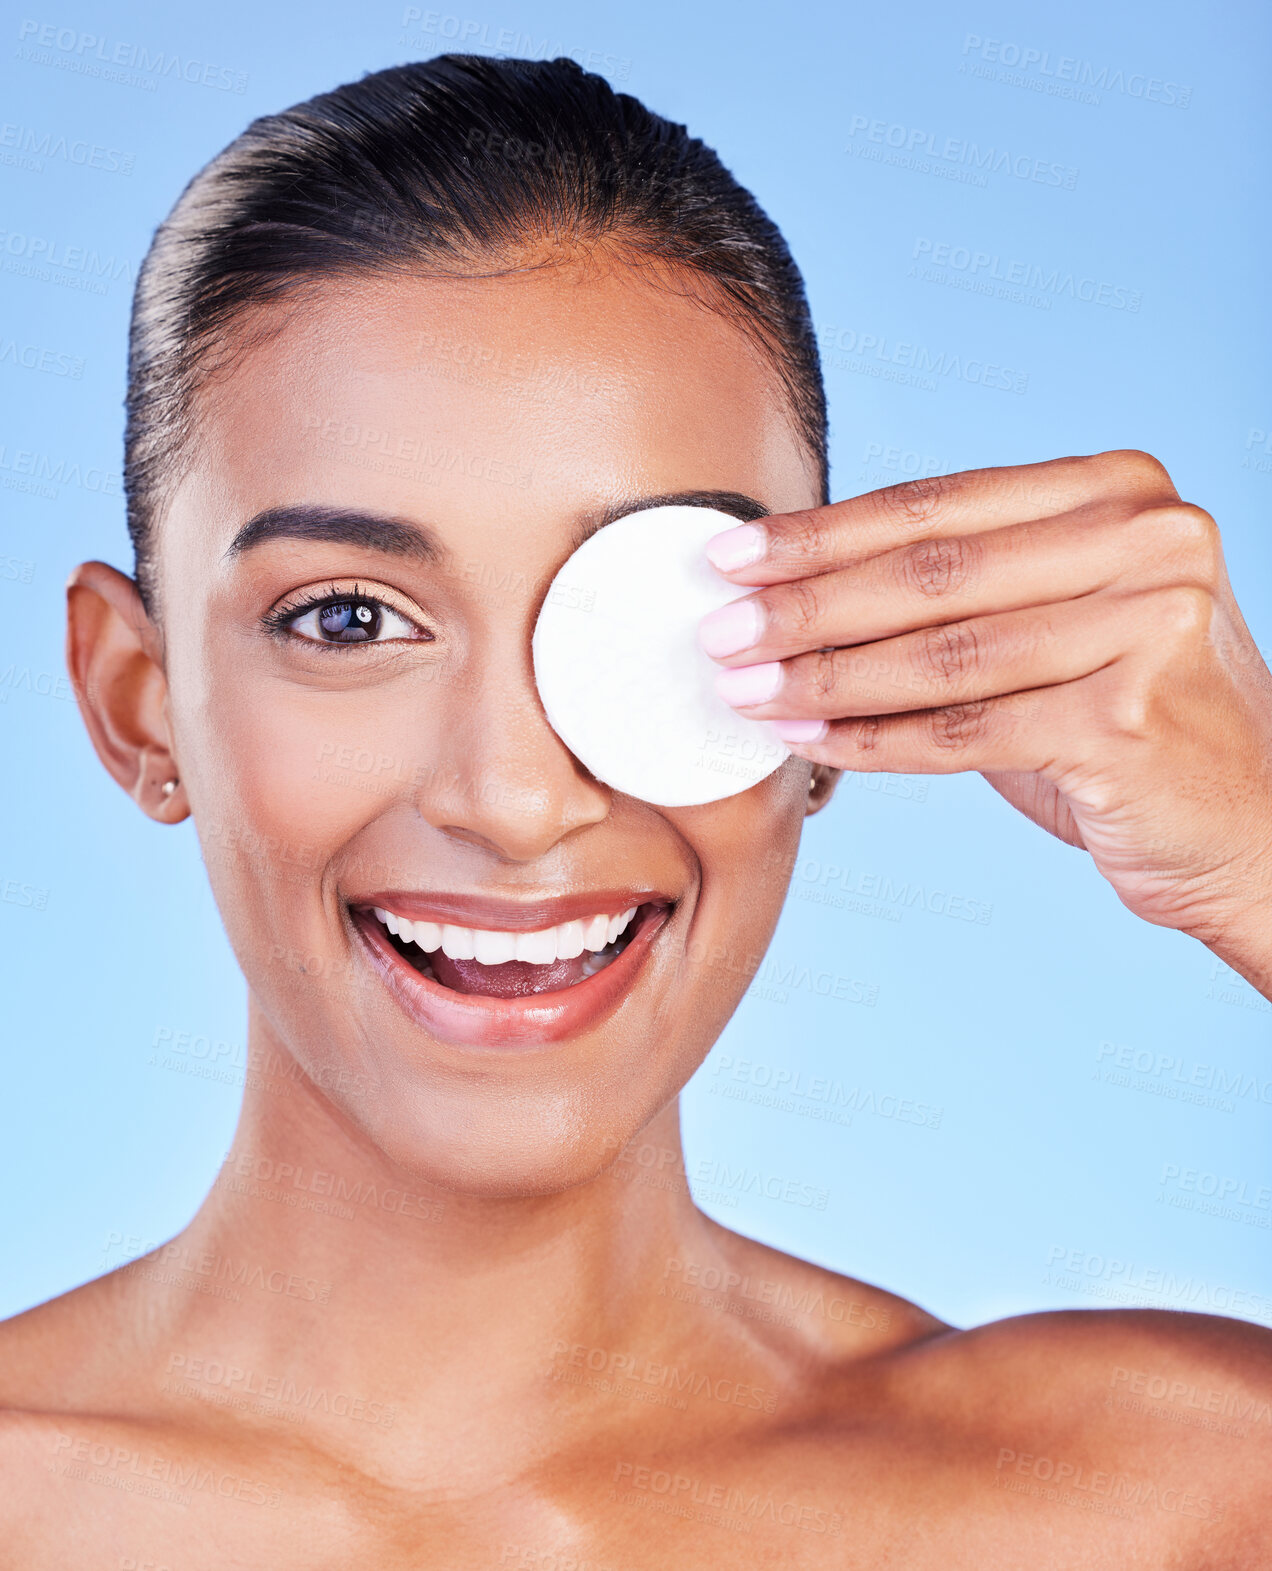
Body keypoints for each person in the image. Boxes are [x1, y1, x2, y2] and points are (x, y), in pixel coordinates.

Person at [2, 54, 1269, 1567]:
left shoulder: (1167, 1500)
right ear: (138, 703)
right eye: (348, 620)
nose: (520, 800)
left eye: (657, 633)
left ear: (829, 696)